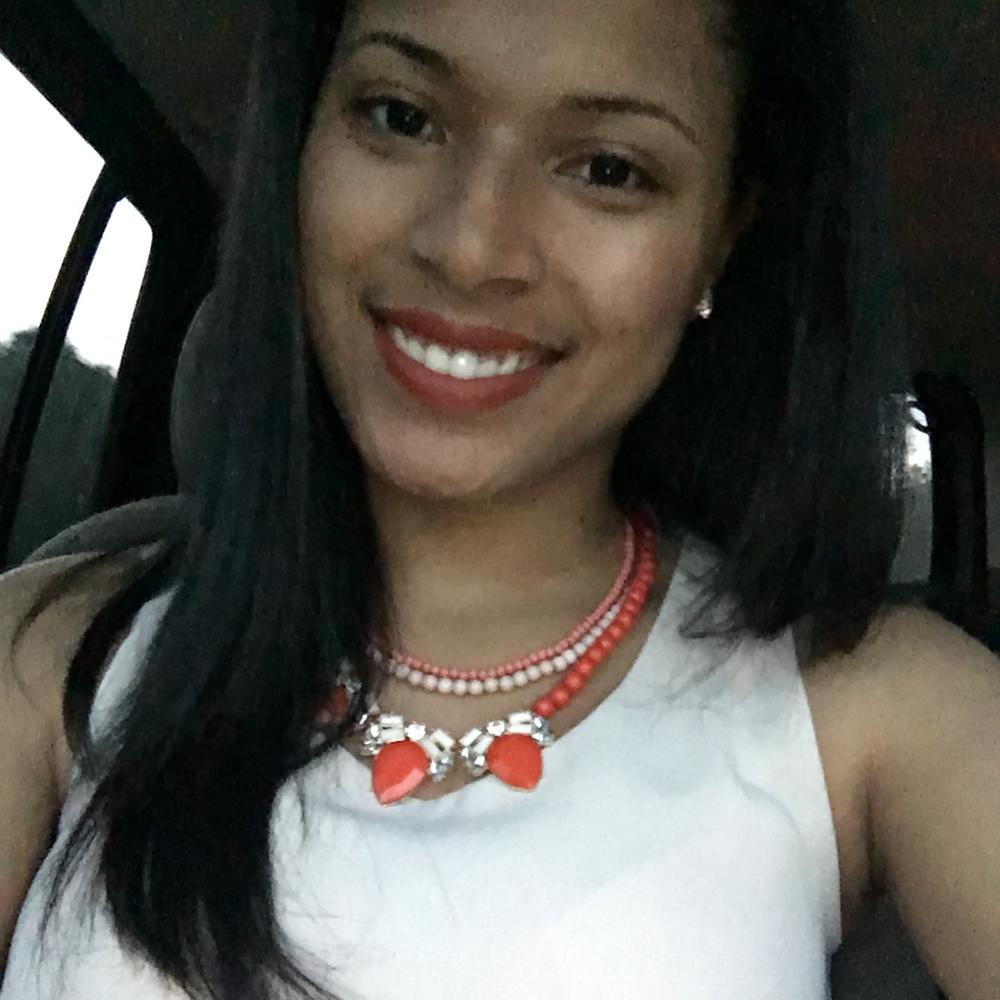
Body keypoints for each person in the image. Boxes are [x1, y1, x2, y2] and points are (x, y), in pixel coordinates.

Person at [1, 0, 998, 998]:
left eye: (608, 169)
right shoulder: (42, 658)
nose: (471, 246)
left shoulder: (882, 711)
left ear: (720, 238)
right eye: (399, 115)